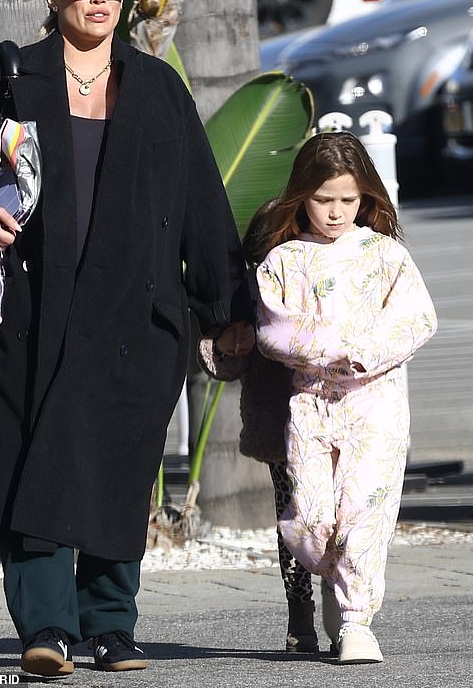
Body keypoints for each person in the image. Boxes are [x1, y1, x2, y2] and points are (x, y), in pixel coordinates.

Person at [0, 0, 252, 678]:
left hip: (139, 314)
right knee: (32, 455)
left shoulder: (159, 88)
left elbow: (202, 202)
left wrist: (227, 308)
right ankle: (45, 628)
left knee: (118, 467)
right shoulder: (9, 77)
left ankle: (112, 626)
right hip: (31, 312)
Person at [254, 131, 437, 664]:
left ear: (366, 198)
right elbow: (272, 331)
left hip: (375, 404)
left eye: (348, 201)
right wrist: (330, 348)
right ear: (300, 196)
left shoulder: (386, 257)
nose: (335, 213)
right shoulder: (284, 260)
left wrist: (363, 353)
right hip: (310, 404)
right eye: (323, 199)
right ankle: (335, 578)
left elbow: (417, 318)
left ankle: (357, 620)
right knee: (311, 521)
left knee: (364, 509)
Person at [197, 199, 319, 654]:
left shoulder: (327, 277)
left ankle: (345, 607)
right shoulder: (250, 292)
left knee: (340, 513)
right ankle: (300, 611)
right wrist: (234, 342)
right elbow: (220, 362)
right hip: (281, 428)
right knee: (293, 517)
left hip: (337, 419)